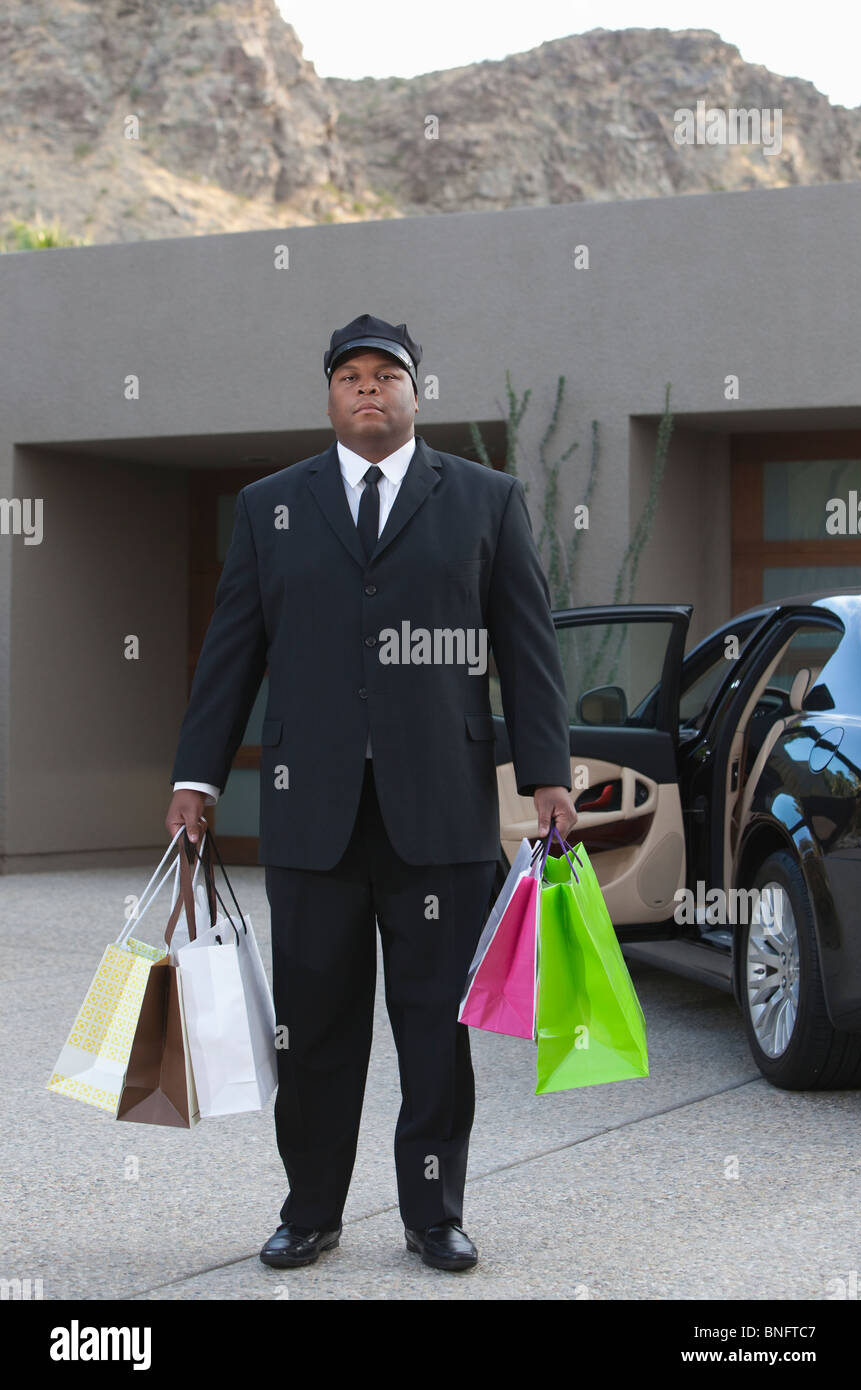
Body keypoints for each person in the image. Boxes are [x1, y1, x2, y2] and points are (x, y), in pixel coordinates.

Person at [165, 313, 577, 1273]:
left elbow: (528, 647)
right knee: (314, 1030)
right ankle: (310, 1209)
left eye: (385, 374)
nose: (367, 388)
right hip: (313, 818)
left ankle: (433, 1217)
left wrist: (548, 773)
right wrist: (195, 774)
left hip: (441, 814)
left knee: (437, 1030)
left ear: (415, 394)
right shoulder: (271, 506)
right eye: (349, 375)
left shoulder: (487, 500)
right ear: (329, 396)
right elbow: (232, 653)